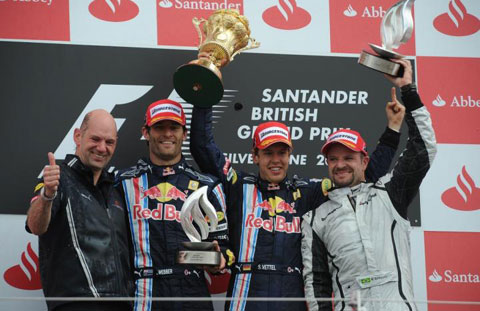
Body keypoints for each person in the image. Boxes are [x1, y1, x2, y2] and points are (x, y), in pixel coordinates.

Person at [189, 86, 402, 310]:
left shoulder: (308, 191)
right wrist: (205, 89)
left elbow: (362, 177)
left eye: (282, 152)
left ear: (290, 155)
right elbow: (202, 147)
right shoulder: (237, 185)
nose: (276, 160)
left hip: (292, 293)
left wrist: (393, 130)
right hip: (246, 295)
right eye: (268, 153)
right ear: (255, 155)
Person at [301, 59, 437, 311]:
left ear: (364, 161)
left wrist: (408, 89)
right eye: (333, 159)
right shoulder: (314, 219)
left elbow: (423, 150)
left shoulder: (390, 193)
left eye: (348, 158)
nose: (340, 165)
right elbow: (316, 283)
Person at [116, 99, 229, 311]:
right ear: (146, 132)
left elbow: (223, 247)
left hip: (192, 291)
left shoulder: (207, 186)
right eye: (159, 127)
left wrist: (218, 260)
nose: (167, 134)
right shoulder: (122, 183)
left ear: (184, 134)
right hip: (142, 291)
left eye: (174, 127)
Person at [26, 109, 134, 311]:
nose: (102, 148)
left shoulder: (115, 189)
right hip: (76, 304)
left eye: (109, 142)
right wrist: (48, 195)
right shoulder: (58, 179)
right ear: (78, 136)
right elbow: (35, 226)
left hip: (121, 305)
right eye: (95, 139)